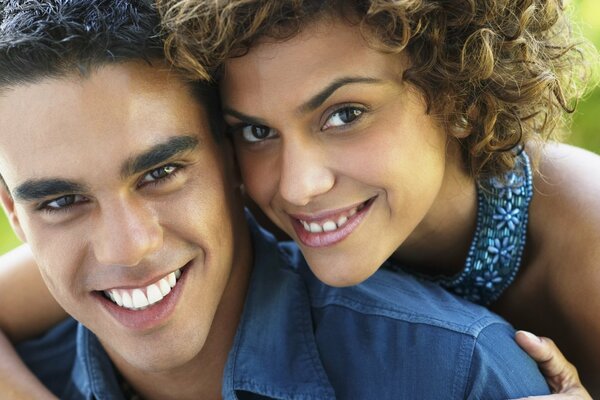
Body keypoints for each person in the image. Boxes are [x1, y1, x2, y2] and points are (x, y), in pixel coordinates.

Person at [0, 0, 555, 398]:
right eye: (59, 202)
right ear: (13, 215)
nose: (127, 247)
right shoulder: (27, 366)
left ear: (229, 165)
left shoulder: (457, 374)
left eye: (162, 171)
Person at [155, 0, 600, 394]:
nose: (297, 186)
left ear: (461, 94)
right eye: (257, 131)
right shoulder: (248, 218)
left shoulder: (590, 246)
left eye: (346, 115)